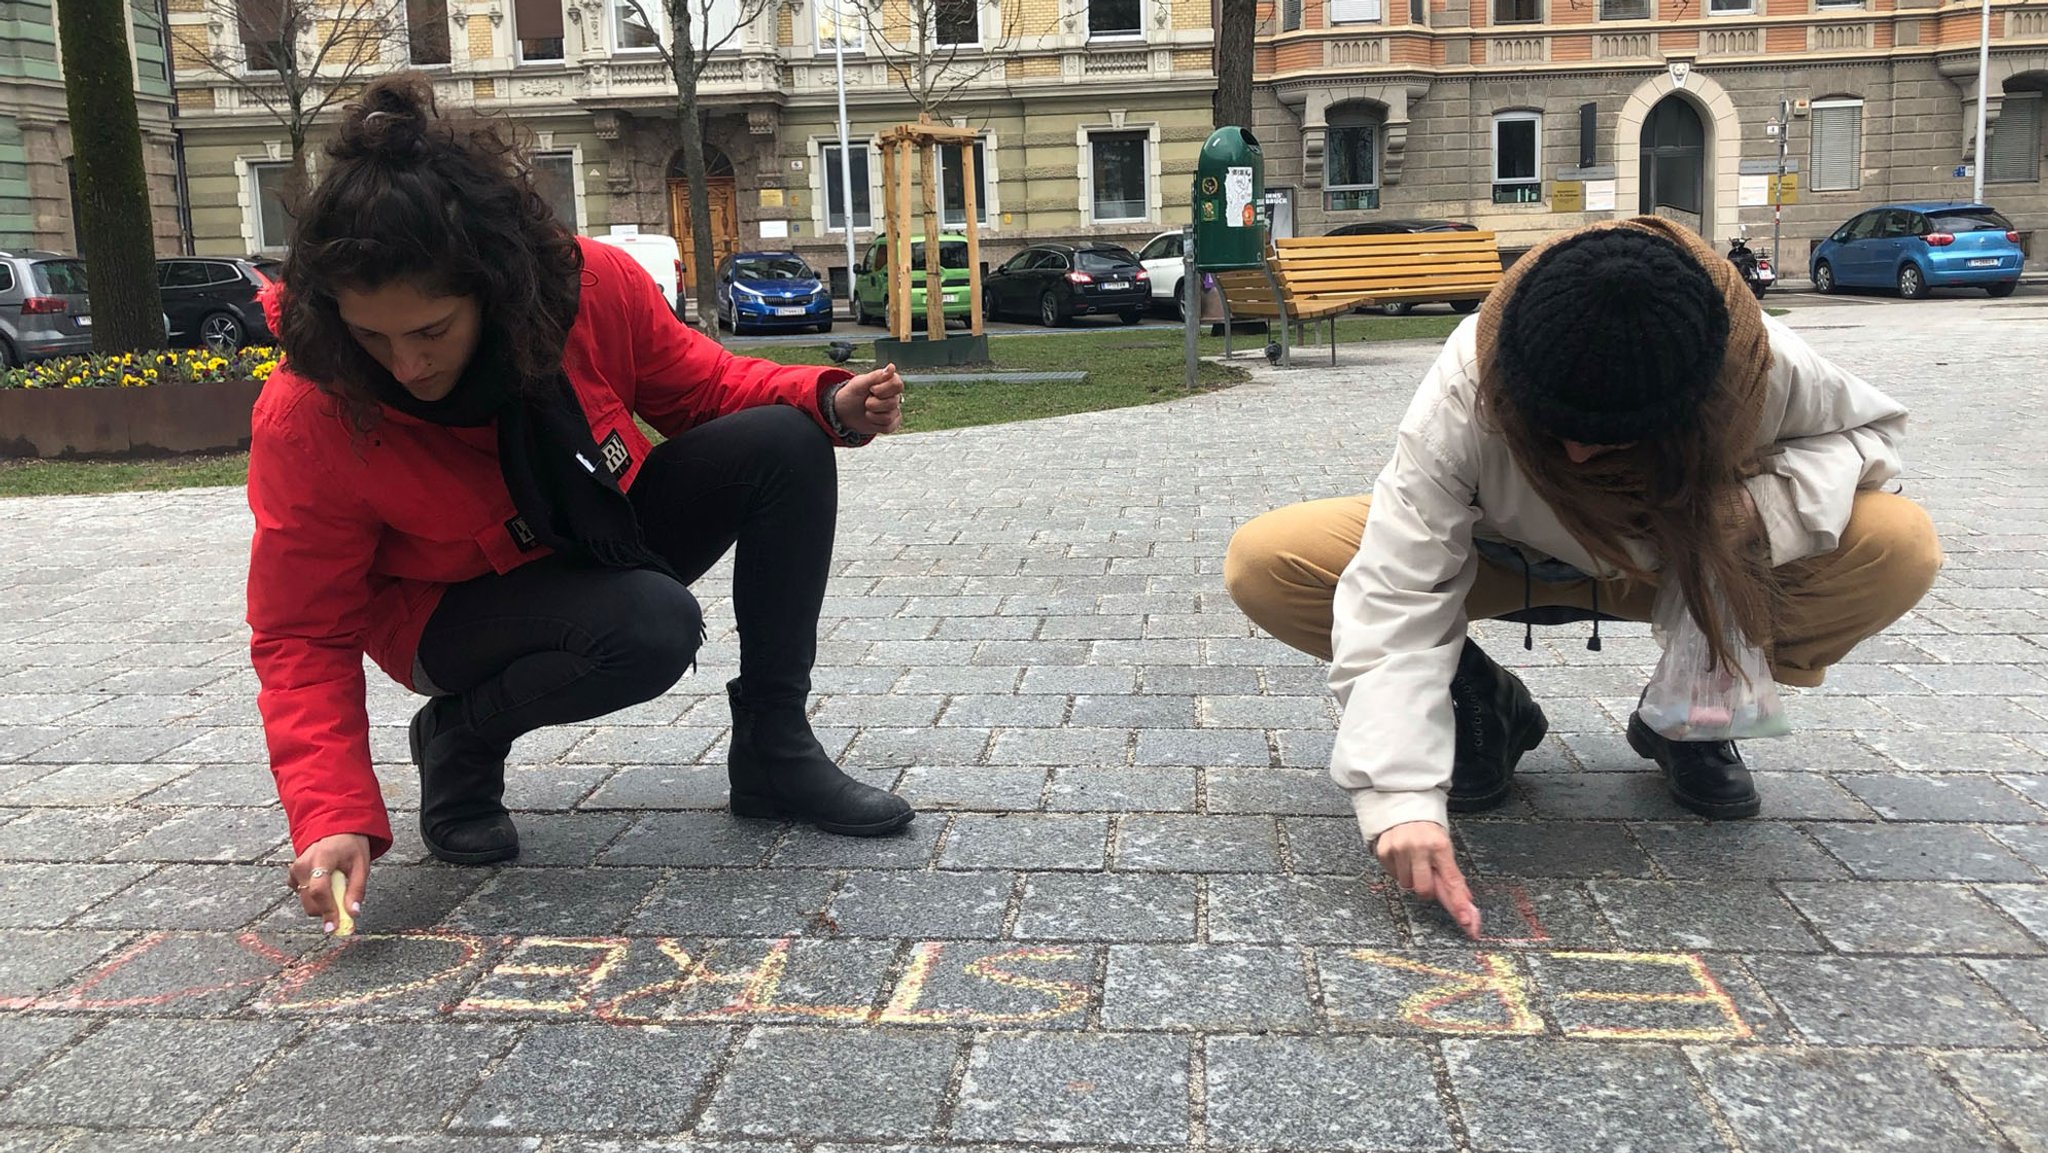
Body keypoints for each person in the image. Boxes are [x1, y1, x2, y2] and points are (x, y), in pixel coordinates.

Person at [251, 74, 913, 933]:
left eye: (430, 331)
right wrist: (330, 811)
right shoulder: (315, 409)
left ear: (494, 286)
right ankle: (460, 740)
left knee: (785, 444)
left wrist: (825, 401)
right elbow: (302, 631)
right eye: (372, 336)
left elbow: (703, 385)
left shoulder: (584, 285)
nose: (405, 365)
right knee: (650, 623)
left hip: (588, 542)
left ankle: (774, 750)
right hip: (446, 617)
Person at [1223, 217, 1940, 937]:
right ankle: (1480, 702)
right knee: (1271, 558)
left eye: (1603, 436)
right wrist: (1402, 797)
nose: (1571, 453)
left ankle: (1690, 715)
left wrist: (1753, 512)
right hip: (1498, 557)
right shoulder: (1468, 375)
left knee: (1897, 543)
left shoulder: (1761, 367)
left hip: (1676, 563)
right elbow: (1398, 587)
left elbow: (1872, 435)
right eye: (1551, 423)